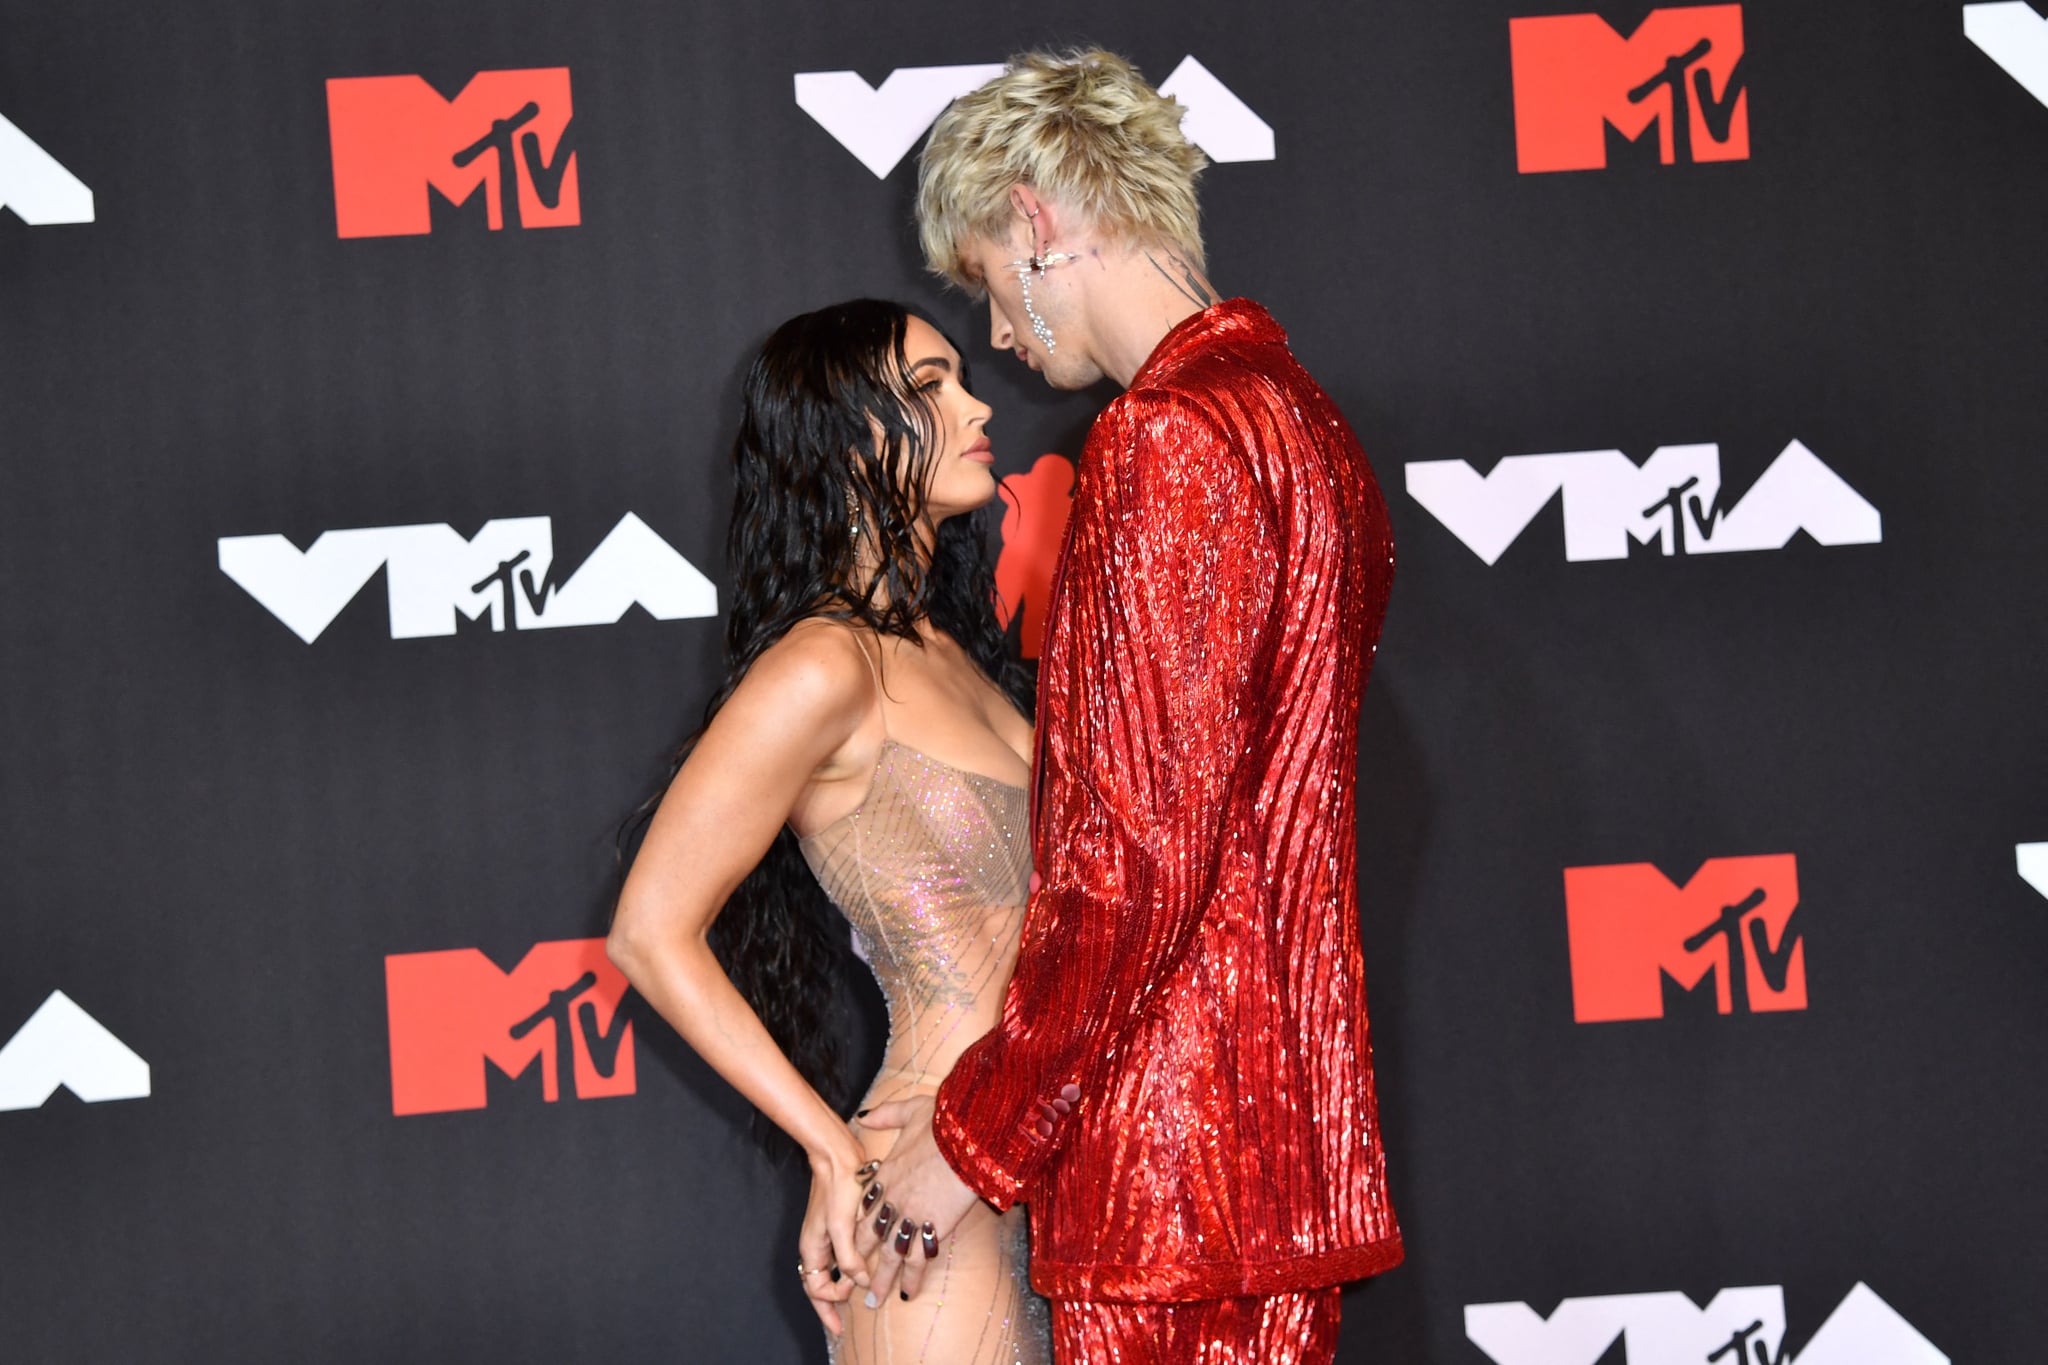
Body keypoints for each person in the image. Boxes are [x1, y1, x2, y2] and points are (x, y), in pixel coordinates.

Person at [834, 50, 1405, 1364]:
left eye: (983, 279)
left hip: (1172, 1179)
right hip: (1272, 1164)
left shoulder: (1171, 440)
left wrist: (974, 1140)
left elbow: (1136, 858)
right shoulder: (1308, 427)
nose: (994, 333)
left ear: (1036, 221)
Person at [608, 299, 1052, 1363]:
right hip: (931, 1203)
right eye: (931, 387)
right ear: (848, 437)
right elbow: (648, 930)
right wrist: (830, 1152)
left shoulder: (957, 648)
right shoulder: (819, 666)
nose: (979, 403)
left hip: (1057, 1170)